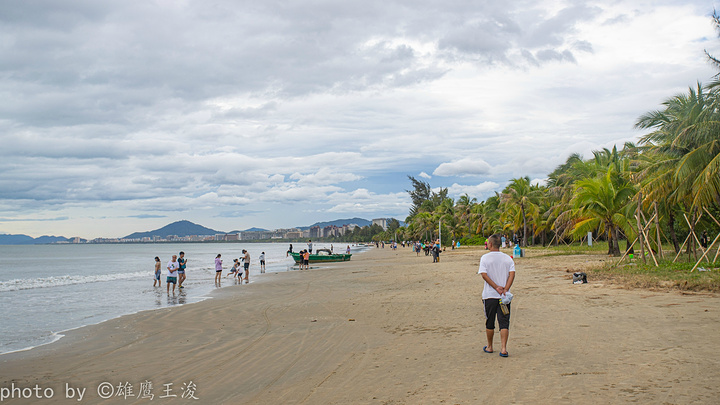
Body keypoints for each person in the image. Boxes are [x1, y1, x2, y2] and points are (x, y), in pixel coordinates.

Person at [478, 234, 516, 357]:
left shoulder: (485, 258)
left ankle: (490, 346)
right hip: (504, 297)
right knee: (504, 321)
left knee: (490, 321)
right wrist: (505, 288)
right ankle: (503, 348)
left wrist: (495, 287)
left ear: (490, 244)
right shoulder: (507, 258)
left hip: (490, 295)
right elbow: (512, 274)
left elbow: (484, 275)